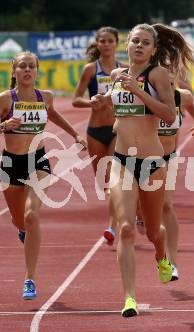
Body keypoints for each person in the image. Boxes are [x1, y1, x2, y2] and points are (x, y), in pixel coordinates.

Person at [92, 23, 186, 317]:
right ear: (127, 46)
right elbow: (118, 109)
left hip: (153, 162)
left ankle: (162, 258)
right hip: (122, 160)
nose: (139, 46)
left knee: (153, 231)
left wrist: (140, 93)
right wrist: (103, 101)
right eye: (135, 41)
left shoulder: (158, 75)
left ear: (154, 50)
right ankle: (129, 297)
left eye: (146, 43)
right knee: (126, 228)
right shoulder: (117, 76)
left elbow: (169, 114)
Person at [0, 51, 87, 300]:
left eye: (31, 67)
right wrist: (2, 127)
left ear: (37, 71)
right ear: (14, 71)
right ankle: (23, 232)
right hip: (11, 164)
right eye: (22, 67)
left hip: (38, 161)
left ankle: (30, 278)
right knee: (19, 221)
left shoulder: (45, 97)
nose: (27, 71)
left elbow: (53, 113)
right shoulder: (5, 100)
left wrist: (75, 135)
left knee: (31, 215)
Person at [136, 23, 194, 282]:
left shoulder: (177, 77)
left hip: (167, 152)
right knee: (146, 210)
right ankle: (141, 215)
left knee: (167, 205)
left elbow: (187, 98)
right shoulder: (141, 75)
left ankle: (171, 262)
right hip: (139, 151)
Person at [72, 27, 124, 246]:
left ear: (116, 43)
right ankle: (125, 212)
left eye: (110, 41)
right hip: (94, 131)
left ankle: (112, 225)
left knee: (115, 179)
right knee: (104, 183)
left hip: (116, 129)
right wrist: (90, 101)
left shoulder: (125, 70)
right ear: (97, 44)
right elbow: (76, 99)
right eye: (102, 41)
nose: (106, 44)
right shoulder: (90, 70)